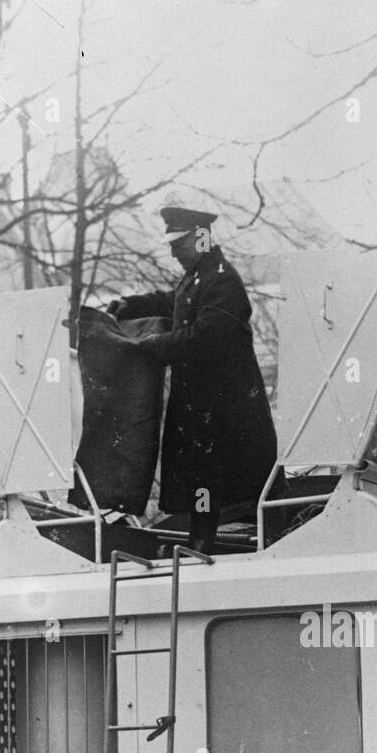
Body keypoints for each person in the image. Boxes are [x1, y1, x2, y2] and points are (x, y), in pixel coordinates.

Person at [106, 207, 277, 550]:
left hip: (224, 408)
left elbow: (203, 339)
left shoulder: (222, 280)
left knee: (219, 479)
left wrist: (149, 346)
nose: (172, 250)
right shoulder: (201, 276)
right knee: (204, 477)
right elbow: (173, 302)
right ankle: (202, 540)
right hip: (206, 406)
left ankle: (213, 541)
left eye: (178, 242)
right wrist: (131, 305)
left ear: (201, 237)